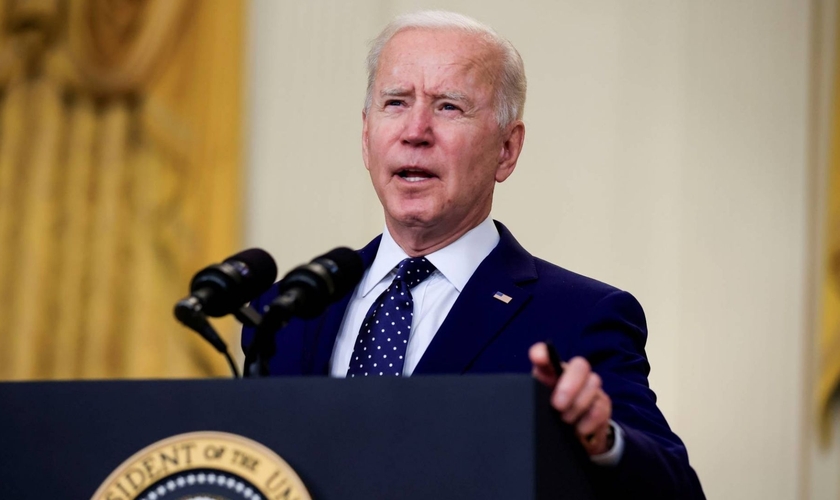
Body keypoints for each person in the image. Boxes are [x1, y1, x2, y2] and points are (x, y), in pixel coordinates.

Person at [243, 10, 704, 498]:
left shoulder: (580, 316)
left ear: (507, 149)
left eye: (448, 107)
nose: (415, 130)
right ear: (366, 135)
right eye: (395, 103)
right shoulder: (284, 314)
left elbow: (676, 490)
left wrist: (603, 441)